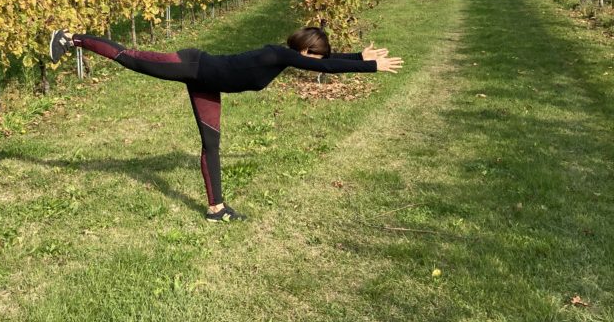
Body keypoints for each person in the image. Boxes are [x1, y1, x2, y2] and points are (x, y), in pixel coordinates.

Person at [49, 26, 403, 221]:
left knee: (211, 145)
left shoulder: (284, 58)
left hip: (208, 85)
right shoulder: (277, 53)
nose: (314, 62)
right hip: (192, 66)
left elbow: (323, 61)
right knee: (132, 58)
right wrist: (368, 66)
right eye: (314, 54)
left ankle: (216, 207)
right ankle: (72, 39)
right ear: (305, 50)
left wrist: (358, 56)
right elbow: (323, 66)